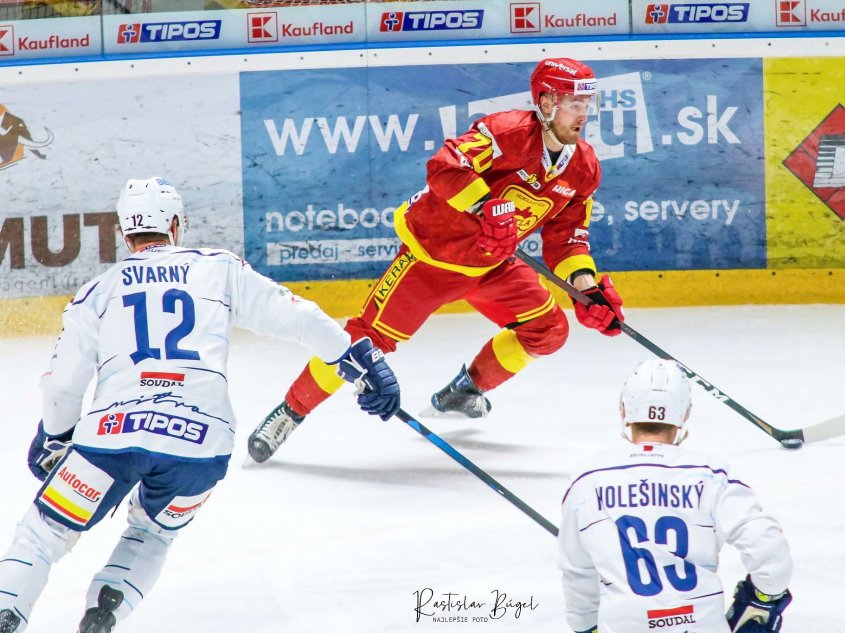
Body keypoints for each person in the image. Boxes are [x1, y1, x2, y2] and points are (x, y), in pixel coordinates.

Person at [0, 177, 400, 633]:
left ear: (124, 232)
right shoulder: (218, 268)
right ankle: (102, 616)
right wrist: (357, 359)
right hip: (200, 445)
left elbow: (62, 387)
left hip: (111, 438)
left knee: (43, 534)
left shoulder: (96, 293)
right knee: (152, 533)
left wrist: (54, 436)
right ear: (175, 225)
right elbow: (297, 317)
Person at [247, 57, 625, 464]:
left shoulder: (584, 168)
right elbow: (445, 167)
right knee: (363, 344)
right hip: (431, 260)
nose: (584, 115)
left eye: (587, 105)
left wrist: (587, 290)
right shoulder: (506, 132)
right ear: (547, 103)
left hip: (494, 265)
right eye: (574, 104)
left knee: (548, 330)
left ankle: (466, 390)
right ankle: (290, 411)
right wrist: (484, 206)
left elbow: (567, 239)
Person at [558, 359, 793, 633]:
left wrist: (586, 627)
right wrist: (763, 599)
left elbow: (577, 572)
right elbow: (770, 553)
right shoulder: (713, 475)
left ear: (624, 410)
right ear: (684, 414)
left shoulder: (587, 479)